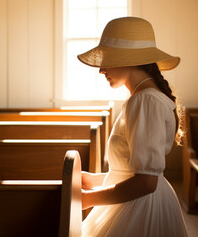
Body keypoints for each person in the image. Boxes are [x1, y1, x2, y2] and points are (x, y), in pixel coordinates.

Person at [78, 17, 188, 236]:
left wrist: (86, 199)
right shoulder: (142, 98)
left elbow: (146, 183)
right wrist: (93, 180)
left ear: (128, 59)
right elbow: (136, 174)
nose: (101, 70)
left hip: (140, 206)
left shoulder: (145, 100)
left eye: (106, 59)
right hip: (140, 200)